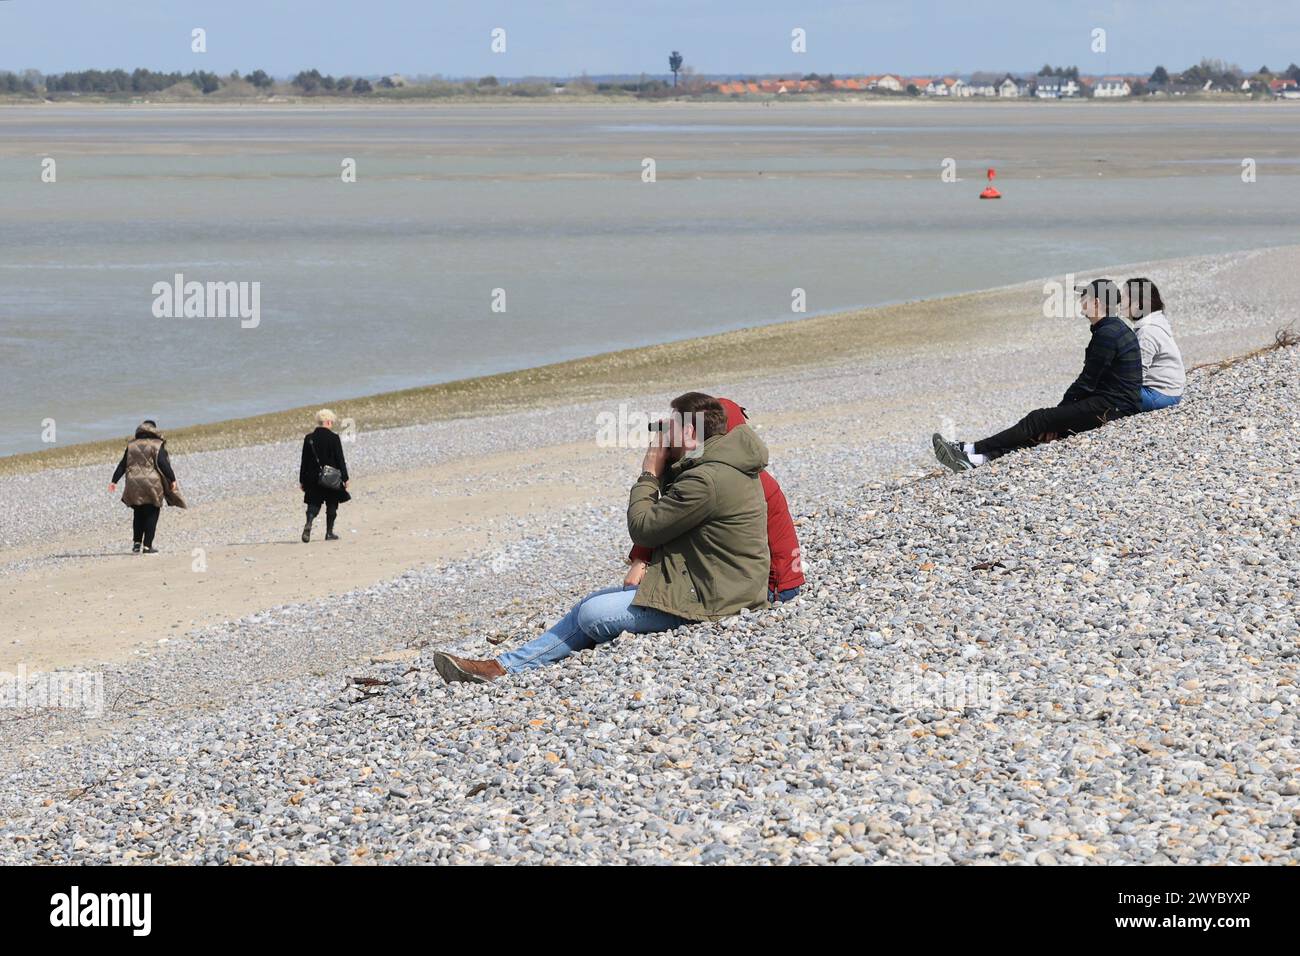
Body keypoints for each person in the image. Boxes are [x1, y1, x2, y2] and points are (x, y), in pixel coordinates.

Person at [432, 392, 771, 683]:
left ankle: (503, 668)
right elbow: (675, 517)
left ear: (691, 431)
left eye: (672, 426)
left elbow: (645, 527)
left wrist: (650, 472)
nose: (665, 434)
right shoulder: (719, 465)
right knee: (590, 603)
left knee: (594, 614)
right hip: (721, 584)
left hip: (717, 599)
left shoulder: (706, 480)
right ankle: (502, 667)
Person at [932, 278, 1141, 472]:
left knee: (1038, 420)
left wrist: (1056, 418)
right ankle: (978, 459)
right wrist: (1058, 419)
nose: (1081, 303)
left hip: (1114, 408)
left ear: (1096, 302)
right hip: (1115, 404)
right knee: (1044, 430)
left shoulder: (1107, 335)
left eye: (1084, 298)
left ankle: (971, 449)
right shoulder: (1115, 329)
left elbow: (1086, 383)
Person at [623, 397, 804, 602]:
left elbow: (667, 520)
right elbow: (673, 514)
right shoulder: (736, 469)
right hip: (762, 579)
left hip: (772, 586)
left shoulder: (734, 480)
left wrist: (652, 472)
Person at [109, 420, 180, 553]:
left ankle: (136, 544)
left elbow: (123, 464)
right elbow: (163, 464)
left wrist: (114, 481)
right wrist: (172, 479)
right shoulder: (157, 445)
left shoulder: (131, 445)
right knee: (152, 513)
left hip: (133, 482)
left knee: (138, 513)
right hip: (152, 484)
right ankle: (147, 546)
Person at [1124, 277, 1185, 412]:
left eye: (1124, 298)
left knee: (1108, 395)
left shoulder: (1147, 331)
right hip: (1171, 391)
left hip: (1160, 395)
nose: (1120, 303)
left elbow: (1136, 375)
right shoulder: (1156, 321)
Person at [299, 409, 350, 542]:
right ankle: (329, 533)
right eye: (332, 422)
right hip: (331, 477)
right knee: (332, 504)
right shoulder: (334, 438)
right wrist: (345, 478)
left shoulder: (309, 438)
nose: (332, 424)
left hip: (312, 477)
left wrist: (302, 480)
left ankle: (309, 523)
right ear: (328, 421)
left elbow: (304, 460)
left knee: (313, 503)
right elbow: (340, 459)